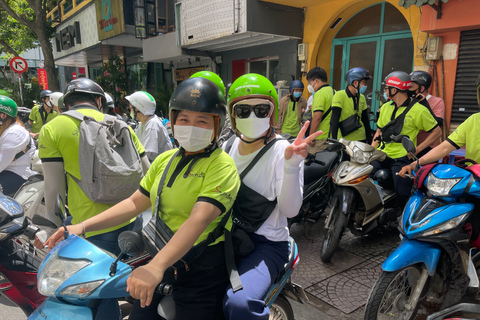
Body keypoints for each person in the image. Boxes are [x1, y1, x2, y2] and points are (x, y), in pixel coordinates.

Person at [45, 77, 241, 320]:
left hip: (201, 267)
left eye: (202, 121)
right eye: (184, 119)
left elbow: (198, 219)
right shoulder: (165, 160)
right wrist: (82, 227)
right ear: (173, 120)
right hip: (162, 257)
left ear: (217, 125)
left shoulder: (222, 165)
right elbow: (135, 202)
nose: (191, 126)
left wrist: (156, 267)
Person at [222, 73, 322, 320]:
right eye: (243, 110)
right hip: (229, 235)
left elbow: (290, 211)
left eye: (261, 109)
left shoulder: (283, 151)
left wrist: (292, 166)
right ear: (233, 115)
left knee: (239, 303)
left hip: (267, 245)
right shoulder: (227, 147)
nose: (253, 116)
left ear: (272, 112)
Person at [37, 78, 150, 250]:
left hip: (90, 228)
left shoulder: (52, 128)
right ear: (99, 101)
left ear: (67, 104)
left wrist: (54, 227)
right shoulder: (120, 124)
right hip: (133, 221)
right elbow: (147, 172)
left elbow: (54, 188)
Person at [371, 71, 441, 209]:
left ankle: (402, 220)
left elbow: (437, 131)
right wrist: (370, 152)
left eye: (386, 88)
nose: (385, 91)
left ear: (394, 89)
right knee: (362, 180)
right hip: (382, 155)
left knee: (403, 192)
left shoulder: (418, 110)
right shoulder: (385, 107)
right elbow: (379, 131)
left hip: (402, 158)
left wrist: (418, 149)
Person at [0, 96, 36, 196]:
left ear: (3, 115)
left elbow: (1, 163)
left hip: (16, 174)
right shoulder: (6, 129)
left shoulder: (14, 133)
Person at [126, 91, 173, 161]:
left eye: (131, 108)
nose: (130, 111)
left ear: (138, 109)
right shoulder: (142, 124)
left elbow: (146, 156)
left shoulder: (152, 125)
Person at [330, 67, 372, 144]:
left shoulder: (362, 97)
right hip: (344, 140)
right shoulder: (339, 95)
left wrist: (369, 142)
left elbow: (366, 121)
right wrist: (334, 142)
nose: (365, 85)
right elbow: (334, 121)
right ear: (355, 82)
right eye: (364, 82)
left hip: (361, 139)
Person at [409, 70, 445, 158]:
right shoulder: (407, 101)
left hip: (424, 147)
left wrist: (424, 103)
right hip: (405, 147)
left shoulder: (437, 102)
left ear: (421, 88)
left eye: (411, 86)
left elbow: (438, 124)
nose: (408, 89)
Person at [305, 67, 335, 153]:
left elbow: (317, 117)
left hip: (320, 138)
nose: (309, 85)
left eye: (310, 82)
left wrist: (310, 137)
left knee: (313, 164)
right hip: (332, 137)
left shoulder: (319, 94)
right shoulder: (334, 92)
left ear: (316, 81)